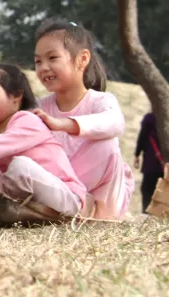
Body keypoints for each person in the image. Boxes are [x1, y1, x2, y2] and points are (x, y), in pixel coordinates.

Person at [0, 63, 88, 217]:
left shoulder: (29, 120)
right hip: (27, 202)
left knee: (20, 167)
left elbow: (2, 145)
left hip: (65, 197)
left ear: (16, 96)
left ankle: (15, 207)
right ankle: (6, 212)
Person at [31, 19, 135, 219]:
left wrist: (64, 124)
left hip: (101, 208)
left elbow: (115, 123)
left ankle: (95, 212)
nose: (43, 67)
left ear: (82, 59)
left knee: (106, 145)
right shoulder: (39, 107)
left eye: (52, 58)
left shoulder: (100, 101)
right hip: (60, 194)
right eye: (38, 62)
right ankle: (72, 205)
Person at [134, 112, 165, 213]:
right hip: (167, 165)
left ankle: (146, 215)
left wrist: (137, 153)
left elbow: (142, 136)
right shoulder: (168, 119)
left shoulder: (150, 118)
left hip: (151, 162)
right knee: (164, 193)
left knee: (147, 191)